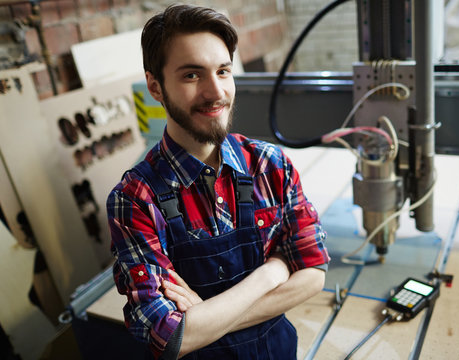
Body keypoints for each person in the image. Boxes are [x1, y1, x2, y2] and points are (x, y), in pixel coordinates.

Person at [107, 4, 330, 359]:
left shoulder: (270, 166)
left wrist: (206, 315)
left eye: (223, 71)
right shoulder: (135, 198)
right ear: (156, 86)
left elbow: (314, 273)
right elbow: (168, 338)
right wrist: (273, 272)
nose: (215, 92)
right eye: (192, 76)